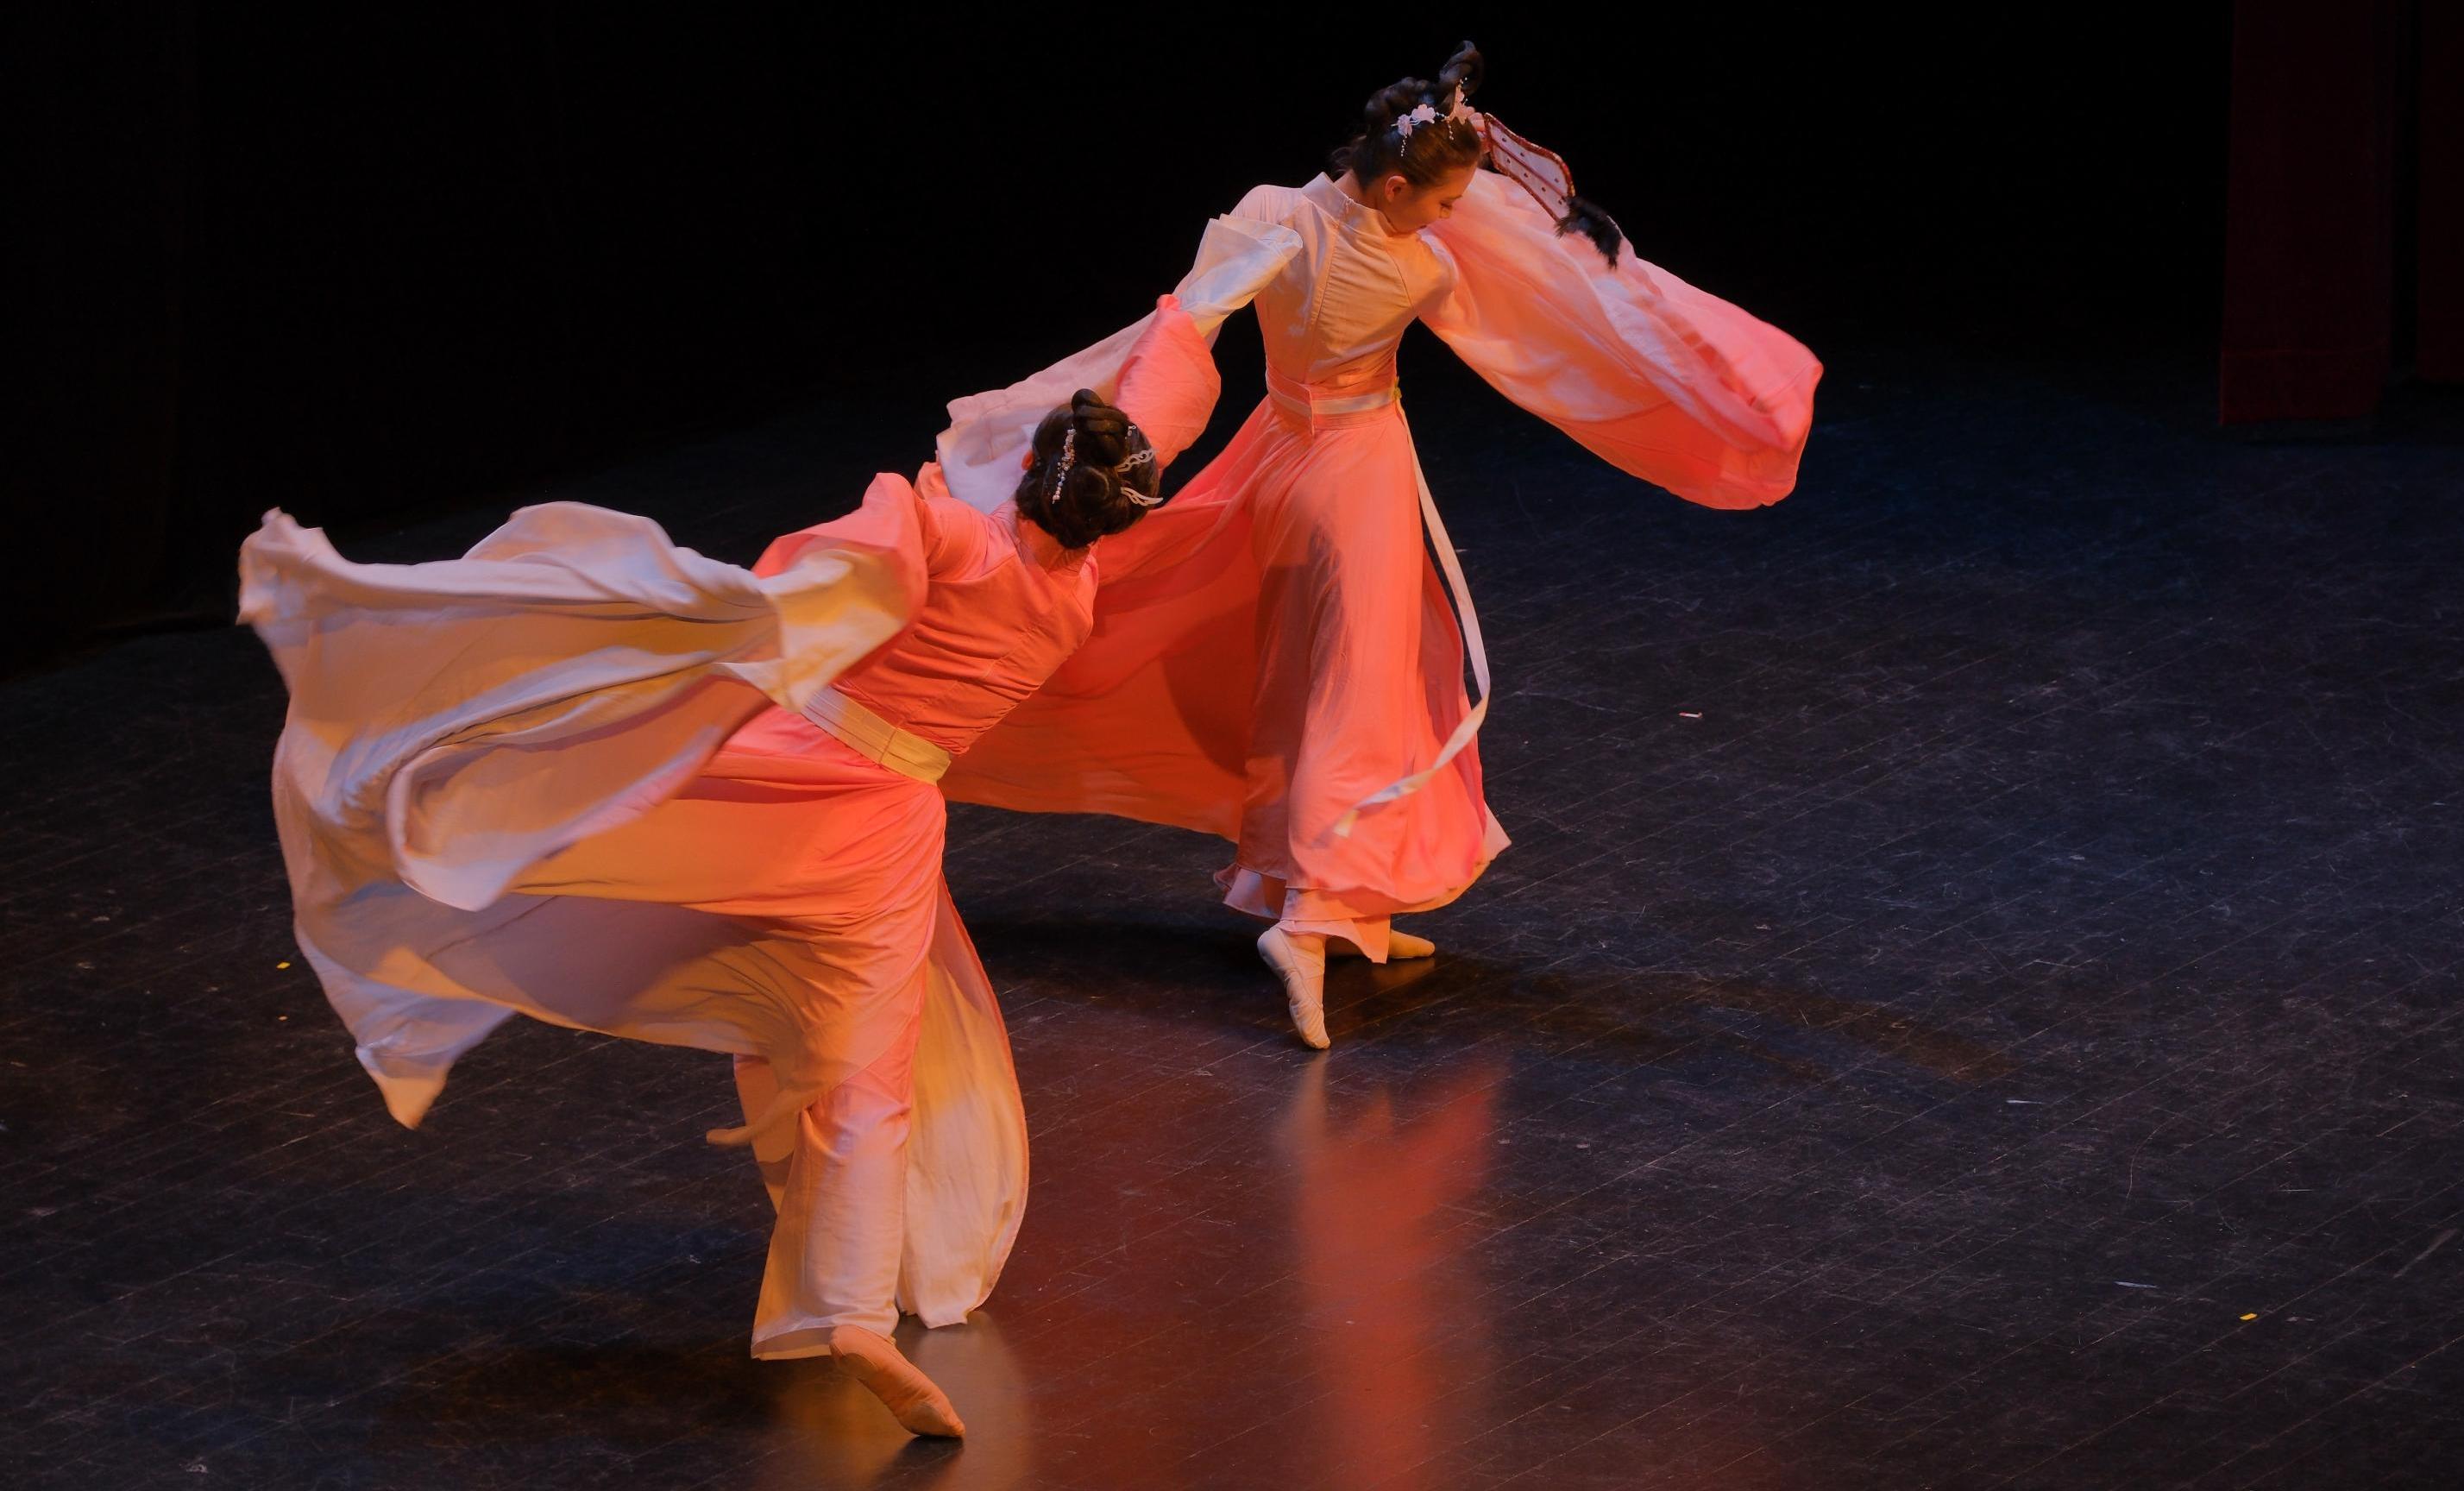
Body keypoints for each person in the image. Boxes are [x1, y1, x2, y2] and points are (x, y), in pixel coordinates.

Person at [240, 300, 1216, 1436]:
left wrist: (762, 603)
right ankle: (849, 1310)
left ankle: (418, 826)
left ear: (1039, 472)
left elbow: (817, 577)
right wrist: (1188, 324)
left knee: (590, 823)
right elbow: (1120, 442)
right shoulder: (1072, 603)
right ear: (1109, 521)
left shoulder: (940, 529)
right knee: (862, 1062)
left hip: (787, 773)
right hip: (886, 829)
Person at [933, 44, 1823, 1047]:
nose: (1455, 216)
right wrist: (1665, 349)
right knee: (1355, 691)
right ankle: (1311, 917)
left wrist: (1113, 442)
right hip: (1351, 476)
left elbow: (1182, 327)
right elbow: (1543, 328)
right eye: (1444, 201)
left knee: (1301, 675)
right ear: (1397, 184)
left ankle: (1338, 899)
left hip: (1273, 459)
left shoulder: (1266, 210)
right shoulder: (1417, 264)